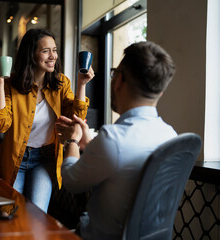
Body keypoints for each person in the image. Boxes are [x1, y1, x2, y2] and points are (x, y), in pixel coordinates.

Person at [55, 41, 177, 239]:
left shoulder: (113, 139)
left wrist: (73, 141)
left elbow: (71, 181)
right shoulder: (170, 135)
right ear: (160, 91)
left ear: (119, 80)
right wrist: (88, 143)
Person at [0, 28, 94, 212]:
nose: (53, 56)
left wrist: (82, 84)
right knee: (10, 213)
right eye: (46, 51)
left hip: (45, 159)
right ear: (31, 55)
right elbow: (1, 126)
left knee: (37, 214)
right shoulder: (12, 84)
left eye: (54, 50)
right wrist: (0, 84)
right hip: (15, 159)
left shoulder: (62, 84)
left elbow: (77, 120)